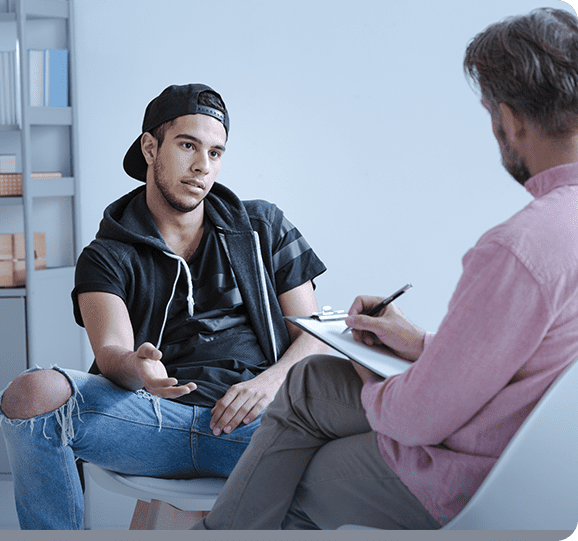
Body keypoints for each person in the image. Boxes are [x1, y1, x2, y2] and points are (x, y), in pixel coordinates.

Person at [192, 7, 578, 530]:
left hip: (477, 472)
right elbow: (525, 346)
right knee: (309, 380)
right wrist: (419, 342)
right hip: (546, 462)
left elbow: (418, 417)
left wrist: (362, 364)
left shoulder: (519, 249)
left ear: (508, 118)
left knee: (292, 476)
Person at [0, 83, 327, 529]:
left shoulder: (264, 226)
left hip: (255, 422)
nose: (201, 167)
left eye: (215, 152)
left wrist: (267, 385)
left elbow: (315, 336)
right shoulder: (105, 256)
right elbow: (111, 352)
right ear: (151, 147)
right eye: (188, 145)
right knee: (29, 393)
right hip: (151, 420)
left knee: (355, 428)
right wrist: (138, 368)